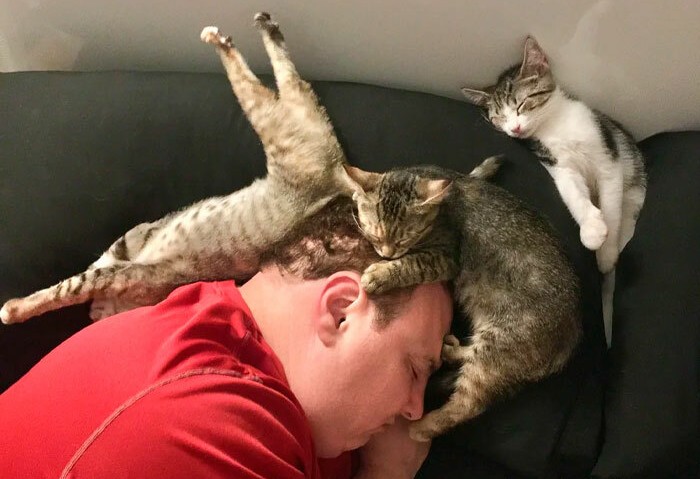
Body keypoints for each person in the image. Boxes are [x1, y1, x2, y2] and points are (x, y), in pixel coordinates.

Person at [0, 198, 453, 479]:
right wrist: (390, 472)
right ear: (340, 311)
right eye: (414, 369)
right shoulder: (208, 421)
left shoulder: (295, 404)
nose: (415, 408)